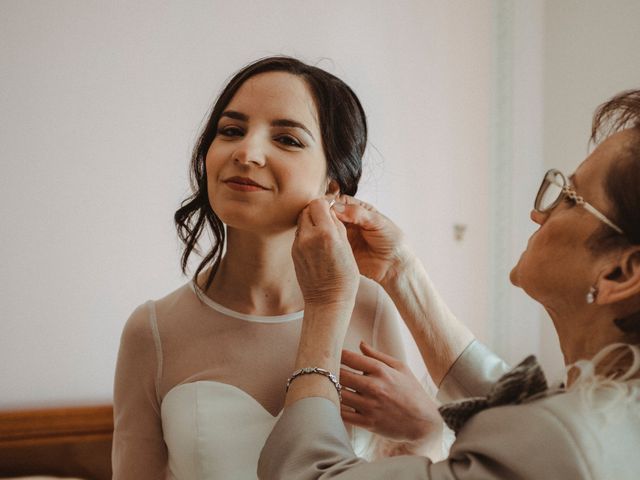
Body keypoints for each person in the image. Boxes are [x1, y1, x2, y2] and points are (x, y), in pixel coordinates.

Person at [258, 89, 640, 479]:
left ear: (620, 273)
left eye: (570, 199)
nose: (538, 213)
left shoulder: (565, 441)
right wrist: (398, 270)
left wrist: (325, 301)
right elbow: (522, 409)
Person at [111, 56, 425, 479]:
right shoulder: (151, 330)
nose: (246, 152)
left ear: (332, 183)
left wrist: (424, 428)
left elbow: (404, 465)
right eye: (231, 131)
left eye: (288, 139)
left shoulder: (370, 309)